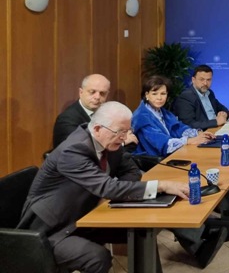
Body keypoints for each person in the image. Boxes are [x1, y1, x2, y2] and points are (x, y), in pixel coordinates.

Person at [19, 101, 190, 273]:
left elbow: (131, 171)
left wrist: (114, 192)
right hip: (54, 230)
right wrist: (160, 186)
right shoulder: (73, 150)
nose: (124, 138)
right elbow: (108, 188)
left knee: (142, 232)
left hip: (86, 215)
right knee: (97, 258)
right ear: (98, 129)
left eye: (127, 131)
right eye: (120, 132)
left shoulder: (109, 141)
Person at [132, 76, 214, 158]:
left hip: (169, 155)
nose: (159, 98)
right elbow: (163, 143)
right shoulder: (141, 117)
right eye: (154, 94)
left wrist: (197, 133)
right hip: (154, 160)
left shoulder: (162, 111)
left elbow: (178, 127)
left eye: (163, 94)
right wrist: (189, 140)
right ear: (147, 95)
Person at [52, 74, 138, 150]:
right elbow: (78, 148)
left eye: (102, 93)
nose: (97, 97)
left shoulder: (106, 114)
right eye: (92, 92)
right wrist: (121, 143)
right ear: (81, 92)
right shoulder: (67, 119)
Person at [173, 64, 229, 130]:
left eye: (208, 80)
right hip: (204, 132)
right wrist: (216, 122)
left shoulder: (209, 93)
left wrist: (224, 114)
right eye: (201, 79)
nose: (205, 83)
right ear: (193, 80)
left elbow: (223, 108)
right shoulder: (186, 97)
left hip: (218, 127)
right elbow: (188, 124)